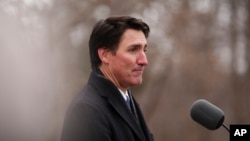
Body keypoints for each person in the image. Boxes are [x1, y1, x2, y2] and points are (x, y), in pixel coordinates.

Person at [60, 15, 154, 141]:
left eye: (144, 50)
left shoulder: (127, 100)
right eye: (133, 50)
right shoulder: (87, 110)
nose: (144, 61)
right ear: (105, 55)